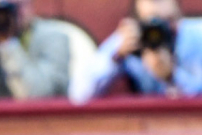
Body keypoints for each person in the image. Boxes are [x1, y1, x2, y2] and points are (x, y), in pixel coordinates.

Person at [71, 0, 202, 102]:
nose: (158, 34)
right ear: (138, 20)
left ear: (178, 14)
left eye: (166, 23)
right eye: (151, 24)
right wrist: (116, 57)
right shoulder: (131, 39)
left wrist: (171, 77)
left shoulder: (197, 35)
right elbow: (79, 94)